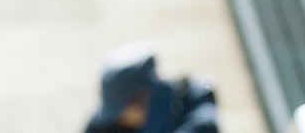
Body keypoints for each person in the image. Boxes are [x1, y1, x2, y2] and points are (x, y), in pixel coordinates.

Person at [84, 42, 220, 133]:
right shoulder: (106, 122)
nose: (118, 119)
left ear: (142, 98)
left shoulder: (193, 99)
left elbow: (204, 124)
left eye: (122, 111)